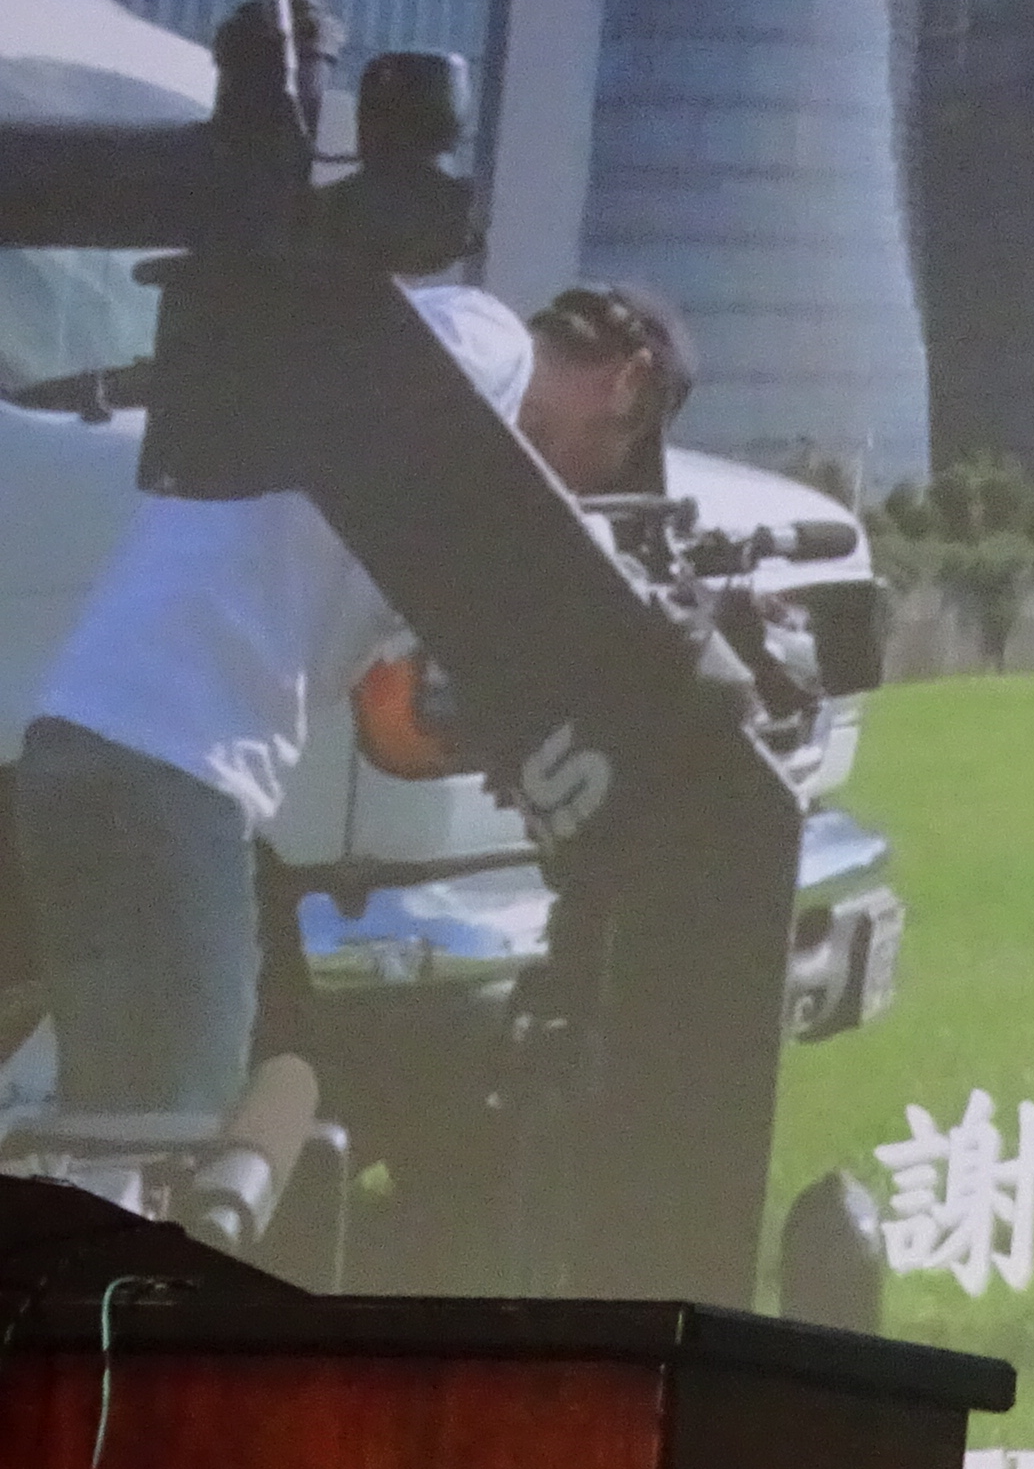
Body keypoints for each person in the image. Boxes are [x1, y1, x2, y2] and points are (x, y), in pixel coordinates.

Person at [18, 277, 687, 1117]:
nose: (584, 483)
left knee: (118, 1110)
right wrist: (582, 566)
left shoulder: (434, 458)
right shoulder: (477, 339)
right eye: (618, 456)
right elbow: (455, 502)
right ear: (625, 383)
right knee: (169, 1130)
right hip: (164, 770)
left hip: (113, 752)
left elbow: (437, 598)